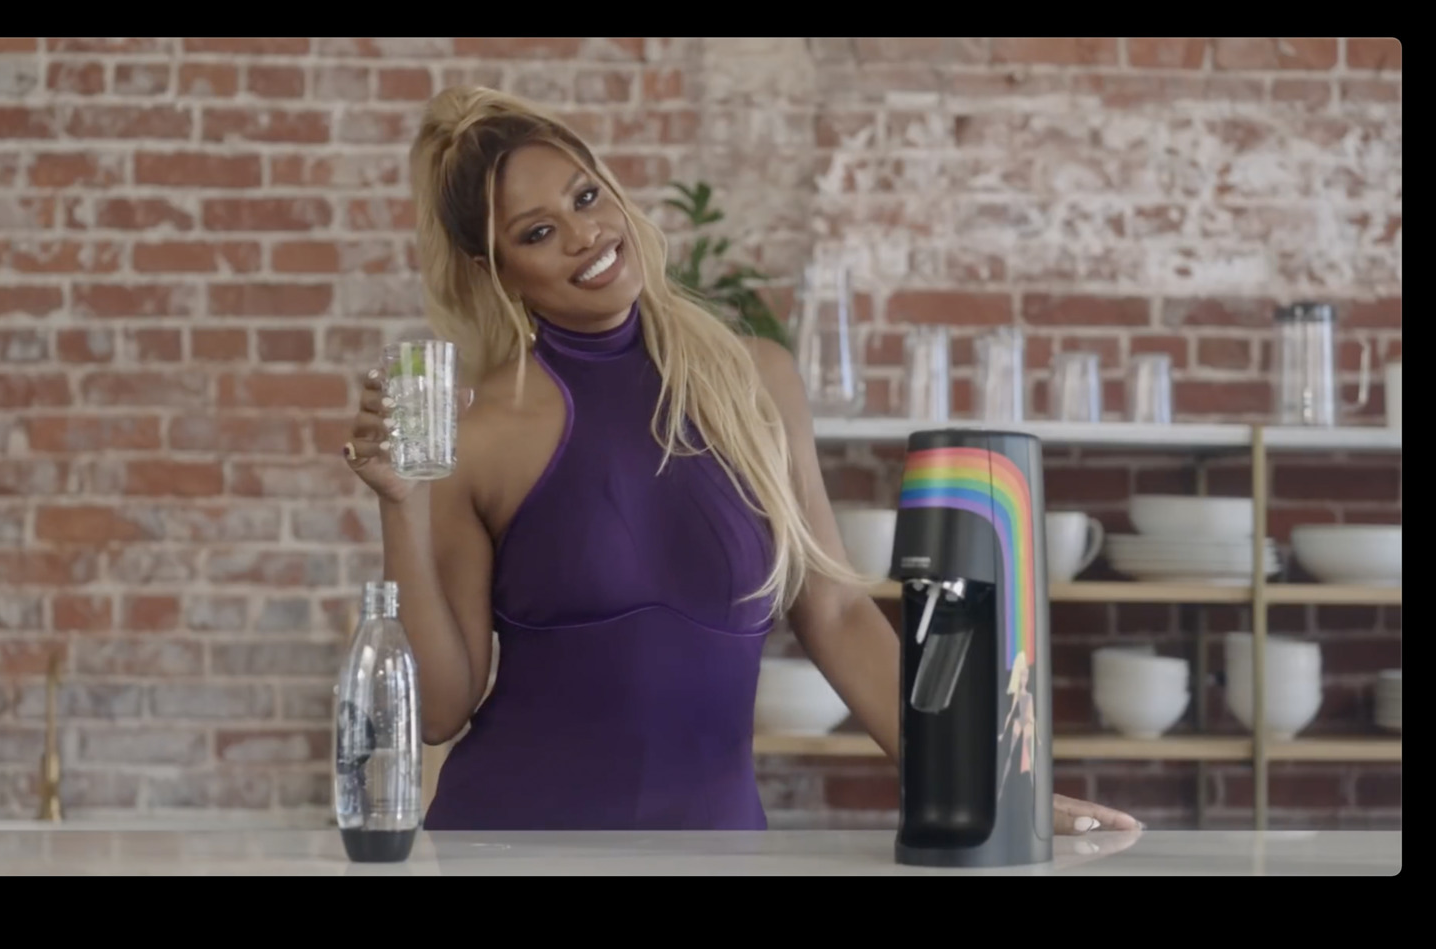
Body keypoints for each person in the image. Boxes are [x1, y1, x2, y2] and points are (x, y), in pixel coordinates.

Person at [341, 85, 1140, 836]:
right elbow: (441, 710)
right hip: (516, 846)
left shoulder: (754, 380)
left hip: (718, 847)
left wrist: (983, 787)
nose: (585, 233)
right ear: (497, 272)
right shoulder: (481, 429)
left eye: (586, 196)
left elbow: (834, 610)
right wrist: (400, 504)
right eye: (537, 231)